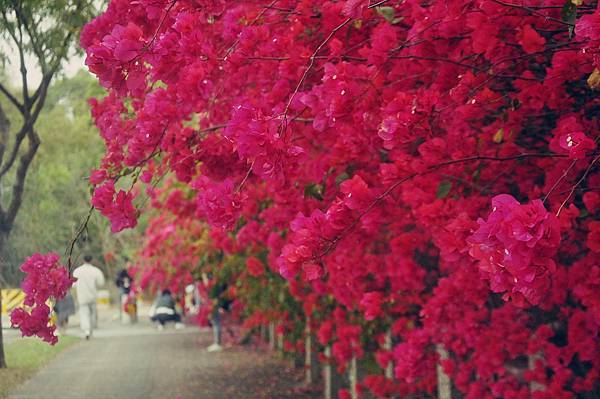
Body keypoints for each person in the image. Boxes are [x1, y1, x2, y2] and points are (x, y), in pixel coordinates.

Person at [73, 254, 105, 339]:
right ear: (92, 260)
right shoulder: (96, 271)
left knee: (84, 314)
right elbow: (101, 283)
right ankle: (90, 330)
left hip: (82, 296)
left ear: (83, 260)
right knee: (92, 314)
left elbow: (73, 284)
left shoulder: (77, 271)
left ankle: (86, 331)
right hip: (92, 296)